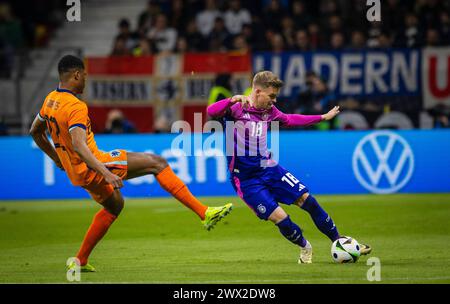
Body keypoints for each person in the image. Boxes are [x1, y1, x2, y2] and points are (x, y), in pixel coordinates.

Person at [29, 55, 233, 272]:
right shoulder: (75, 106)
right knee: (158, 163)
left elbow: (35, 131)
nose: (85, 82)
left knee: (115, 205)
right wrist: (105, 173)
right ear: (76, 75)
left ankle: (80, 261)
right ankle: (204, 213)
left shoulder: (51, 99)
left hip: (77, 173)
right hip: (95, 164)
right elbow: (80, 145)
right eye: (85, 77)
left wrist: (57, 158)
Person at [207, 71, 371, 264]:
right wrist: (231, 99)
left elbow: (291, 119)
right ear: (258, 91)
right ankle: (305, 247)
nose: (274, 101)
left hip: (269, 168)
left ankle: (339, 240)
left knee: (307, 200)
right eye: (272, 96)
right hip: (246, 180)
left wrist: (322, 117)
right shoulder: (236, 107)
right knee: (280, 217)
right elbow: (211, 111)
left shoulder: (269, 112)